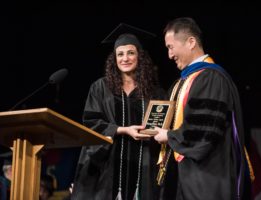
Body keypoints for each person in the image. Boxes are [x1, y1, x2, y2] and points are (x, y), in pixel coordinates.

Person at [153, 17, 250, 200]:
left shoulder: (211, 77)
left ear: (191, 42)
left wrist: (168, 135)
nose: (169, 55)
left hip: (208, 179)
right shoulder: (185, 81)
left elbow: (203, 132)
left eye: (170, 47)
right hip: (188, 178)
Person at [71, 23, 165, 200]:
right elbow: (91, 123)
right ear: (114, 59)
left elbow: (161, 125)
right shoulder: (101, 88)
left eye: (131, 53)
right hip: (108, 167)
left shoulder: (155, 92)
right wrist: (122, 130)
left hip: (143, 164)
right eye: (120, 54)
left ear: (140, 56)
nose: (125, 58)